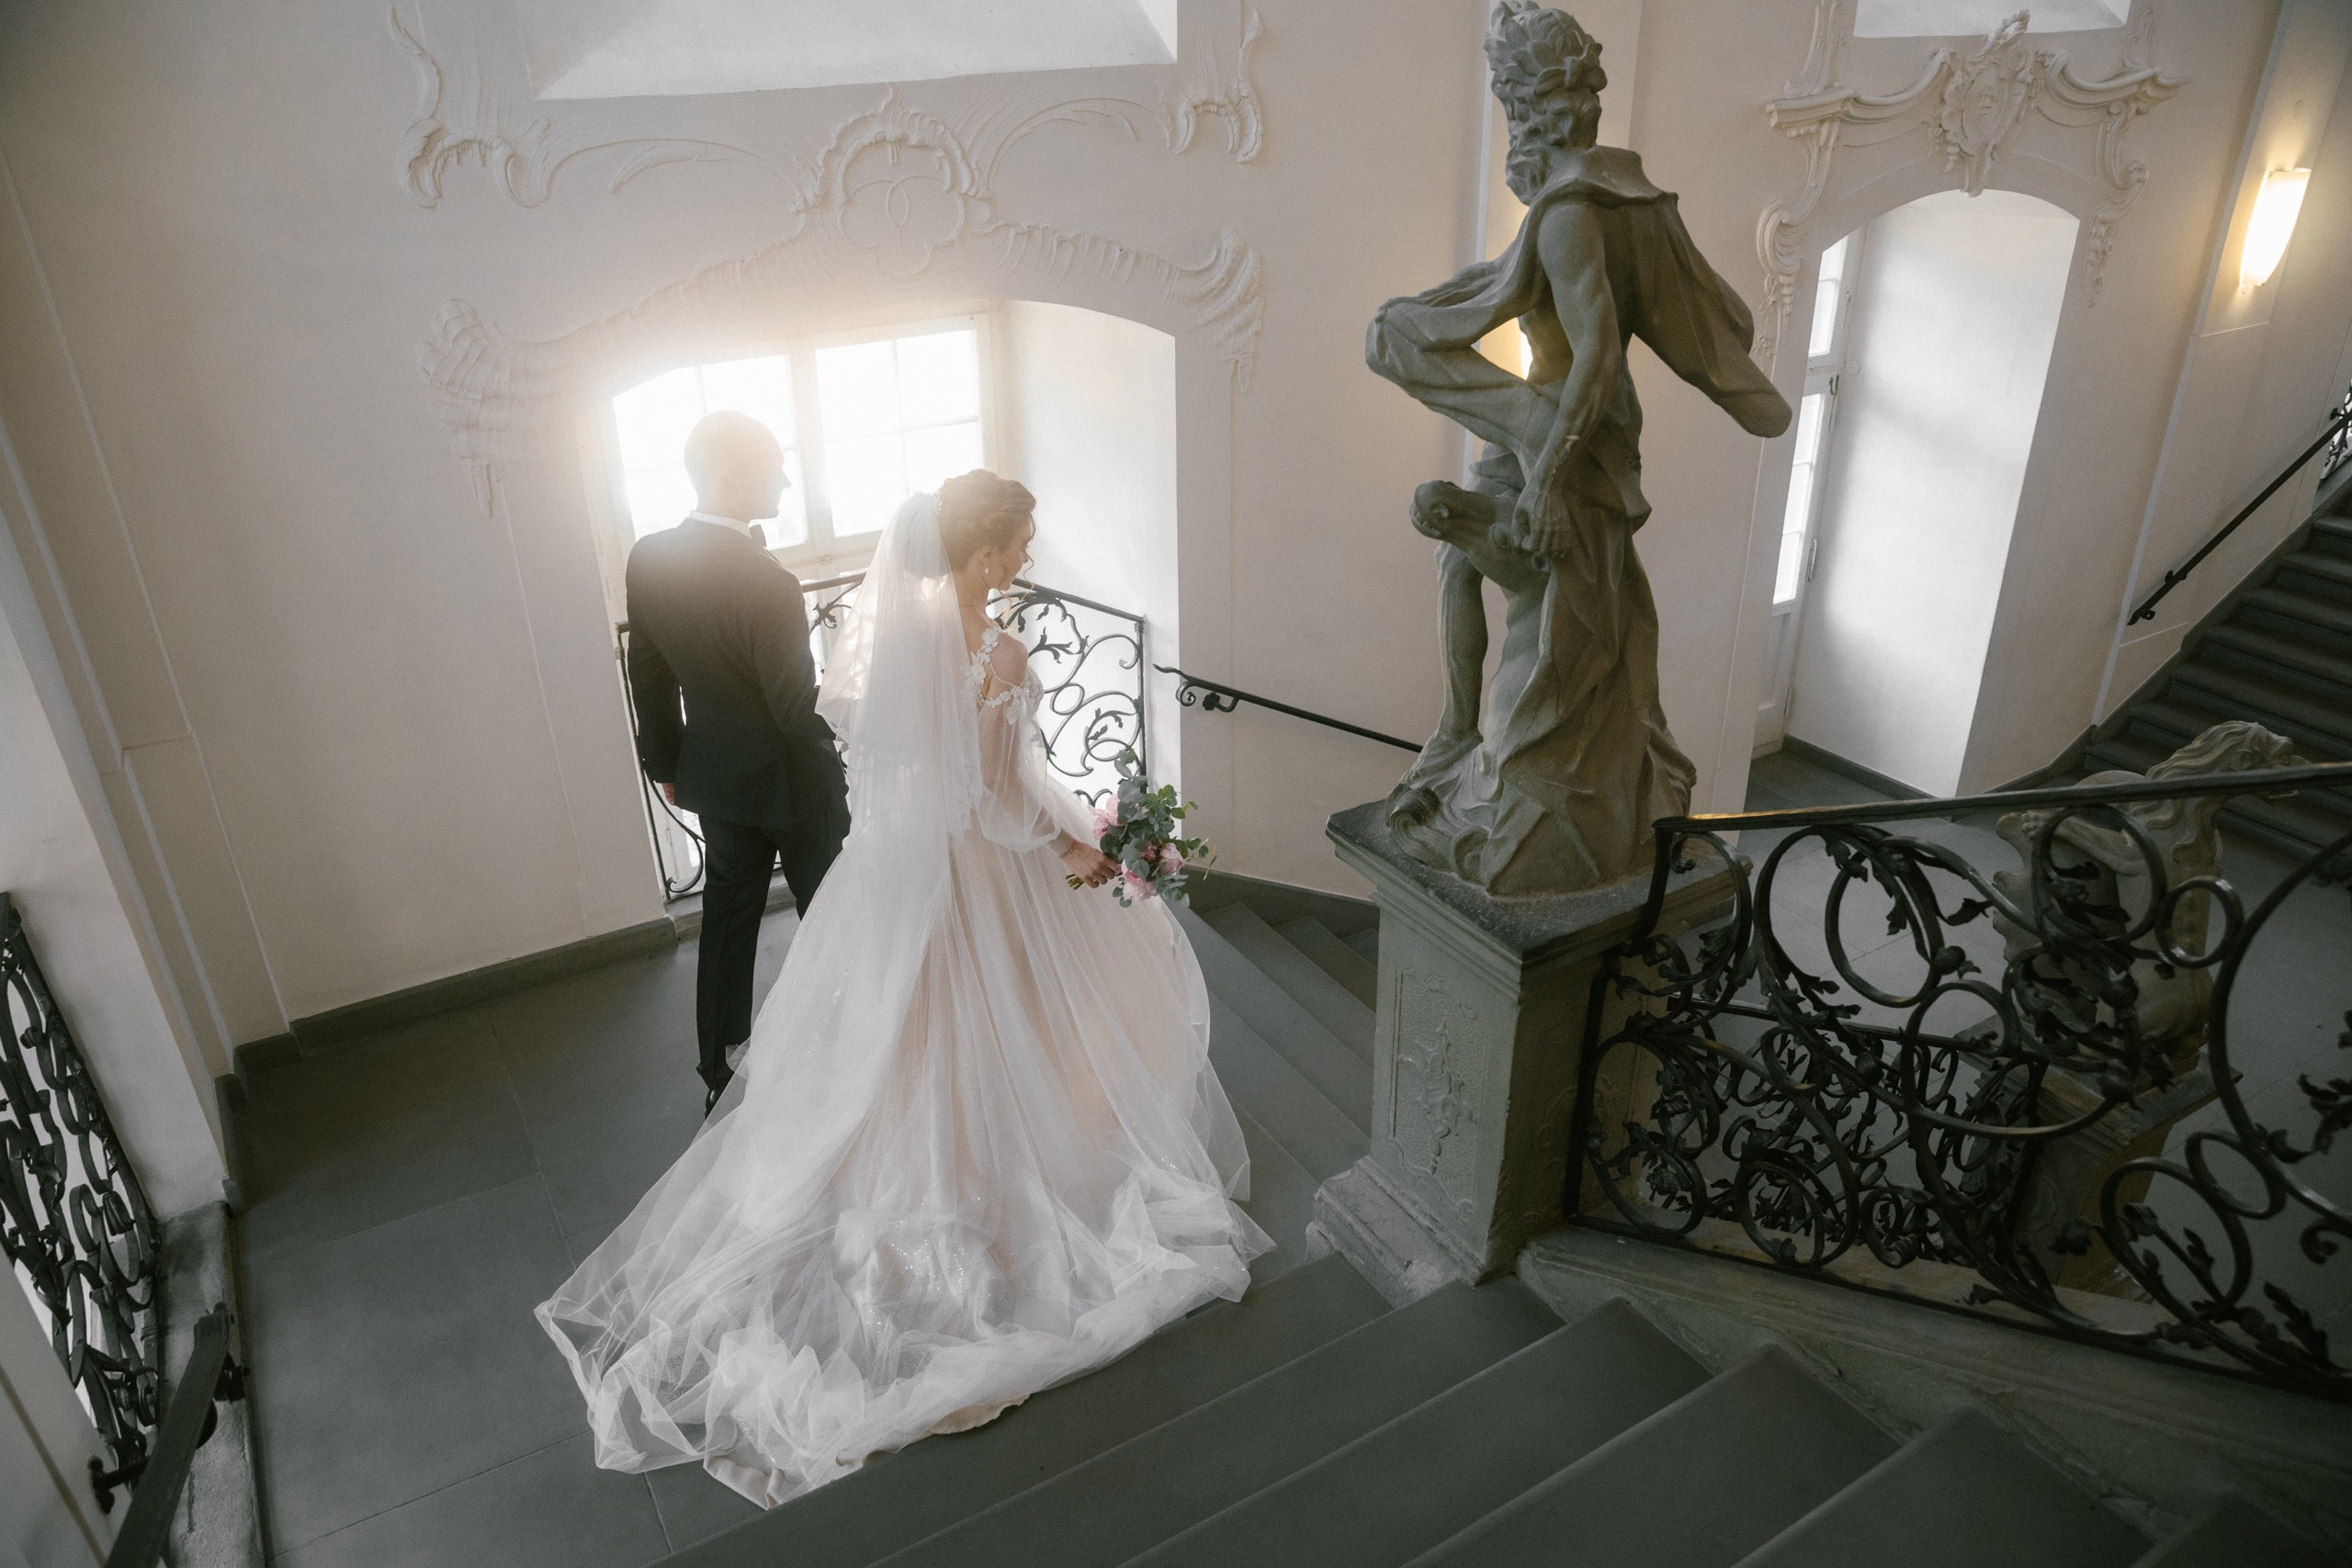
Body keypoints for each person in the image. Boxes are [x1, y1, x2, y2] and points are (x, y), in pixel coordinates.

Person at [539, 471, 1270, 1507]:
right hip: (979, 863)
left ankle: (929, 1153)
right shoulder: (998, 652)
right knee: (1014, 1010)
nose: (1025, 559)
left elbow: (888, 763)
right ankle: (1014, 1162)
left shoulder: (881, 645)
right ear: (979, 557)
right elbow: (1007, 790)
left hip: (895, 867)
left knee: (906, 1033)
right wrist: (1089, 845)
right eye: (1018, 544)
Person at [624, 412, 850, 1111]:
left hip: (717, 774)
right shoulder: (768, 582)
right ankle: (862, 1052)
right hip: (792, 781)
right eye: (775, 466)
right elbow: (794, 708)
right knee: (839, 914)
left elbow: (650, 673)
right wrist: (842, 764)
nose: (786, 478)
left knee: (726, 919)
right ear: (730, 476)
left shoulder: (649, 556)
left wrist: (665, 759)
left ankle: (718, 1068)